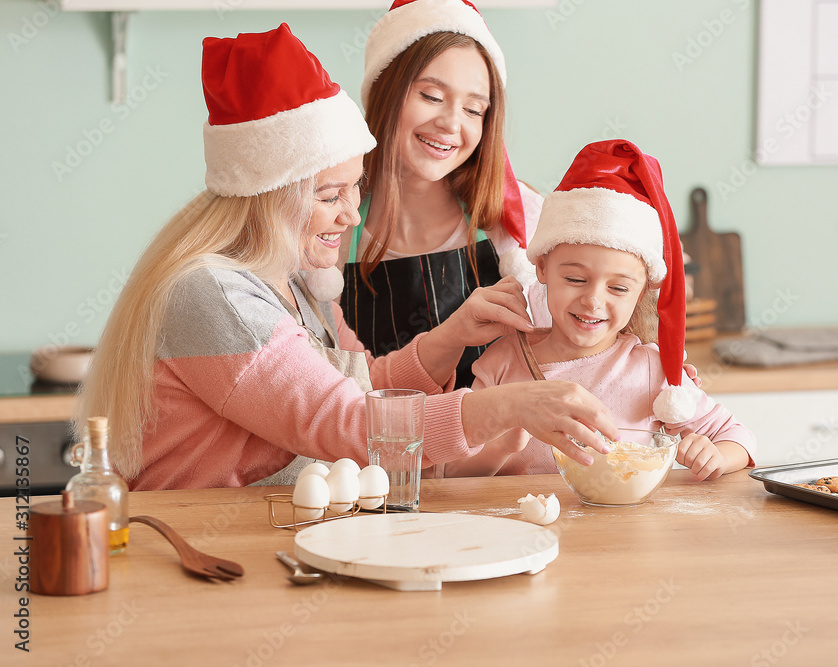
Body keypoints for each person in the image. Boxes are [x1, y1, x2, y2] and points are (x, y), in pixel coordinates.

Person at [73, 23, 617, 491]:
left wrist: (449, 337)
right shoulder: (215, 295)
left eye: (353, 190)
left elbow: (359, 385)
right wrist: (509, 407)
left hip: (247, 538)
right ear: (269, 195)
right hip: (186, 544)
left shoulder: (293, 284)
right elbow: (350, 424)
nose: (352, 217)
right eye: (329, 196)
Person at [446, 140, 757, 481]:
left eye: (618, 287)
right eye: (575, 278)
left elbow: (739, 439)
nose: (593, 300)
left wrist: (715, 456)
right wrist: (502, 445)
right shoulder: (501, 364)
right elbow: (455, 475)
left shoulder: (653, 370)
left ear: (641, 293)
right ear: (543, 268)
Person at [328, 0, 545, 388]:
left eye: (474, 110)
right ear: (384, 92)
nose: (450, 124)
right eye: (431, 96)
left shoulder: (516, 218)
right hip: (368, 445)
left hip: (499, 446)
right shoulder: (334, 225)